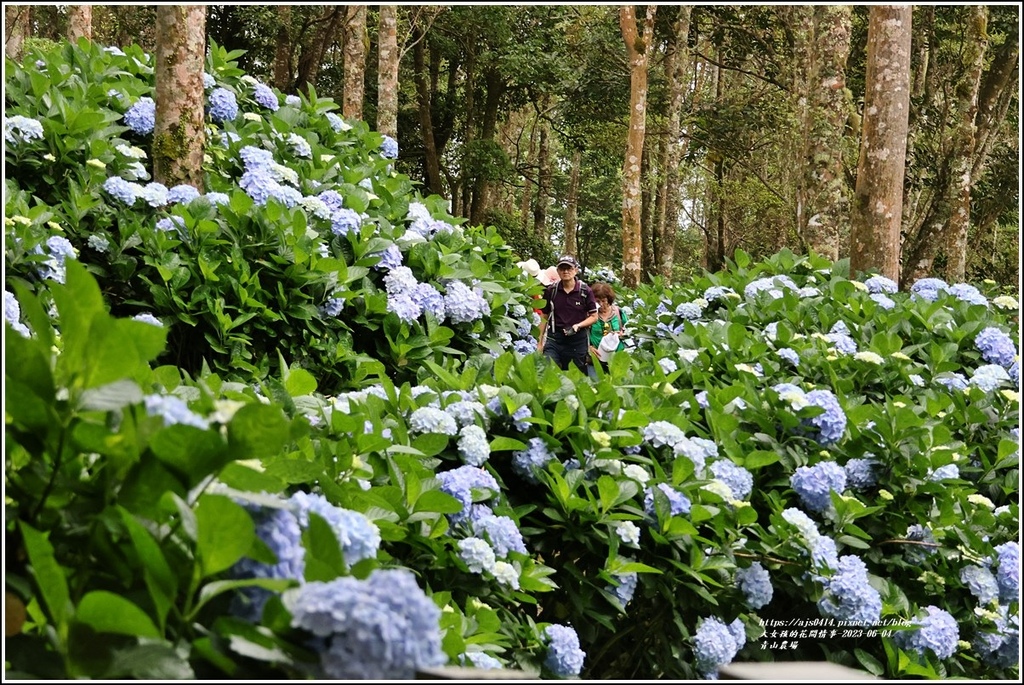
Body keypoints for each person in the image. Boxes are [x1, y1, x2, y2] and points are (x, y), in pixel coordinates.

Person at [537, 255, 598, 372]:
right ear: (558, 271)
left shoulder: (585, 291)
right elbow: (544, 316)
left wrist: (578, 325)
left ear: (575, 270)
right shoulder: (551, 291)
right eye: (562, 268)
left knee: (576, 375)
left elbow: (594, 317)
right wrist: (539, 342)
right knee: (547, 371)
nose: (565, 271)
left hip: (577, 341)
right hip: (555, 339)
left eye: (569, 268)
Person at [587, 282, 628, 373]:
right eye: (597, 301)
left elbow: (629, 330)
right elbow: (582, 335)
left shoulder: (618, 313)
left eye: (604, 301)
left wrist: (622, 334)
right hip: (594, 358)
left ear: (609, 300)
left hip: (616, 358)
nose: (601, 304)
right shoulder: (589, 315)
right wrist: (588, 347)